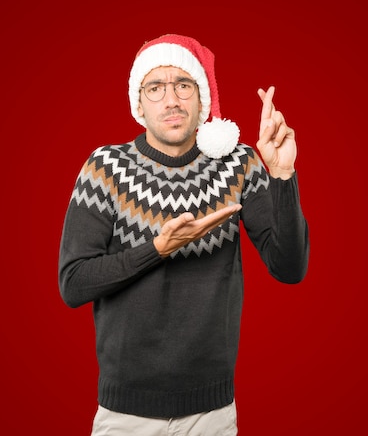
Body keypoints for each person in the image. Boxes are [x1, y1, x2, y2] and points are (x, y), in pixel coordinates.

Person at [58, 33, 310, 435]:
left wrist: (282, 175)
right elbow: (73, 284)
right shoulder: (105, 167)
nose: (171, 99)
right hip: (125, 415)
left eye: (183, 85)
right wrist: (158, 248)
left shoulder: (238, 163)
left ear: (202, 99)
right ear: (139, 103)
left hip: (211, 413)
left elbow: (290, 268)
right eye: (155, 87)